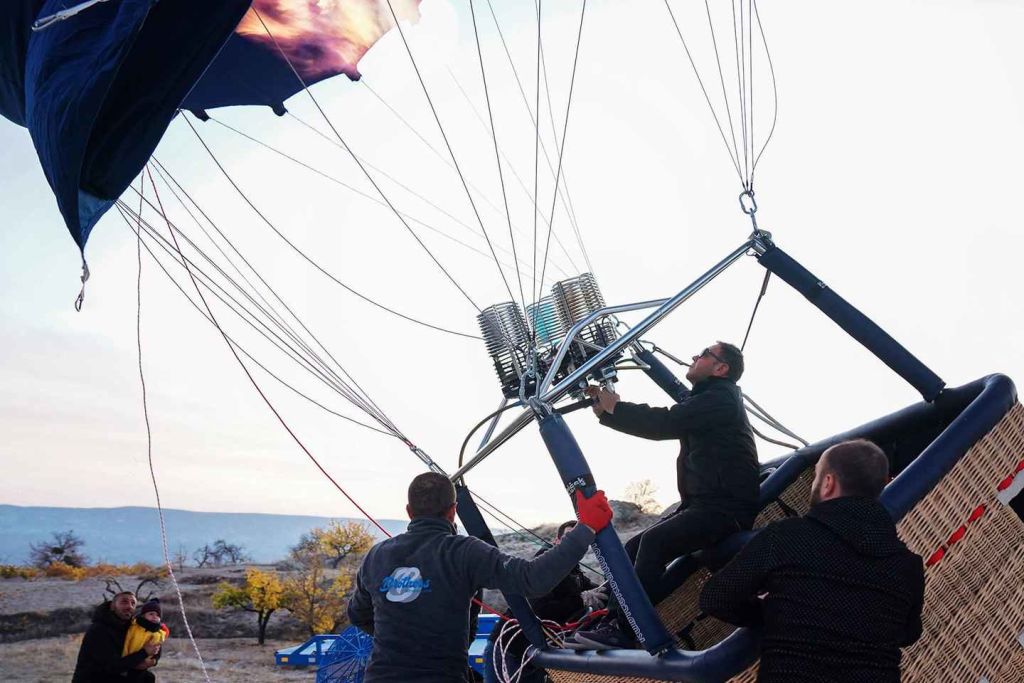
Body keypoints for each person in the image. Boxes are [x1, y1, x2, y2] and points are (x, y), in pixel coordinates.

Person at [574, 341, 759, 649]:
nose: (694, 355)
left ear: (721, 367)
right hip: (704, 505)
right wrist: (608, 413)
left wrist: (616, 408)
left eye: (703, 353)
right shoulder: (707, 400)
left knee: (654, 542)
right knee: (632, 546)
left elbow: (666, 422)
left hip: (726, 510)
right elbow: (669, 420)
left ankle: (625, 630)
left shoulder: (721, 399)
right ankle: (609, 615)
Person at [347, 471, 613, 683]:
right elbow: (532, 579)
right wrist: (586, 528)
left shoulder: (376, 556)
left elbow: (358, 614)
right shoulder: (463, 551)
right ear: (453, 511)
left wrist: (402, 636)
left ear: (409, 511)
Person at [699, 439, 925, 682]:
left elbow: (715, 597)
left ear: (828, 483)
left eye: (816, 476)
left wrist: (772, 611)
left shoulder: (786, 536)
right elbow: (909, 633)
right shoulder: (908, 565)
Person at [482, 520, 606, 683]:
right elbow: (539, 608)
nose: (574, 542)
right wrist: (580, 600)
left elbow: (597, 590)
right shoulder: (544, 567)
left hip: (534, 652)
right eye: (569, 537)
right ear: (556, 541)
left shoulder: (575, 572)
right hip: (510, 650)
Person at [72, 591, 160, 683]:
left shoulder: (131, 628)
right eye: (124, 602)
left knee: (148, 677)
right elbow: (111, 666)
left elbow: (155, 639)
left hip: (116, 674)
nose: (129, 606)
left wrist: (154, 660)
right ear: (112, 606)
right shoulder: (99, 629)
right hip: (94, 678)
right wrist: (144, 653)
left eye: (133, 603)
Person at [123, 598, 169, 680]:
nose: (154, 617)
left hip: (143, 665)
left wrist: (154, 660)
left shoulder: (158, 633)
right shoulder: (134, 627)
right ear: (143, 615)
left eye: (157, 615)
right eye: (151, 614)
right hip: (126, 662)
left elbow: (158, 649)